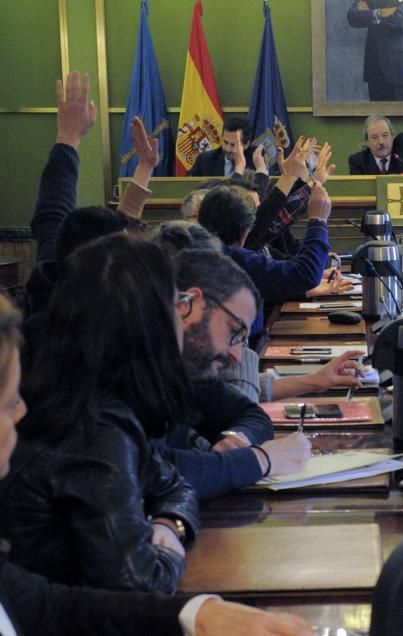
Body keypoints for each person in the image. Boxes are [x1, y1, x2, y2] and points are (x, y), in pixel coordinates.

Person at [0, 295, 312, 635]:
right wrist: (258, 460)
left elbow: (47, 606)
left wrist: (196, 611)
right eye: (10, 403)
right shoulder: (97, 424)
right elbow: (138, 581)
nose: (21, 415)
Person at [0, 235, 198, 594]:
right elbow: (143, 585)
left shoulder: (87, 399)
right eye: (178, 304)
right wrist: (171, 553)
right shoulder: (96, 431)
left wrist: (171, 524)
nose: (184, 321)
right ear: (149, 323)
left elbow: (172, 483)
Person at [163, 249, 311, 499]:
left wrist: (234, 438)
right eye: (234, 331)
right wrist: (262, 459)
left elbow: (252, 415)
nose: (237, 356)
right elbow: (157, 473)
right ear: (191, 305)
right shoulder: (124, 367)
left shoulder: (189, 369)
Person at [23, 72, 149, 322]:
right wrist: (145, 167)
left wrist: (68, 137)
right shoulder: (136, 329)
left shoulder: (44, 302)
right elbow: (52, 214)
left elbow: (52, 210)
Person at [197, 182, 330, 339]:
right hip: (234, 352)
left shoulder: (195, 251)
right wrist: (318, 220)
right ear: (246, 228)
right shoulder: (234, 260)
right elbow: (306, 274)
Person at [348, 66, 403, 174]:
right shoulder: (358, 162)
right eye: (374, 137)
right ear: (367, 141)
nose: (381, 142)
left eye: (385, 135)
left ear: (392, 136)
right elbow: (359, 190)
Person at [347, 1, 403, 101]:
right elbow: (352, 16)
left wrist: (369, 15)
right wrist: (379, 13)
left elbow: (398, 21)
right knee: (378, 113)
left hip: (401, 68)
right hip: (375, 66)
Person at [188, 116, 256, 177]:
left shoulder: (256, 161)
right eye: (225, 142)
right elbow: (187, 184)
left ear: (246, 144)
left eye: (233, 145)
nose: (228, 149)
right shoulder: (205, 160)